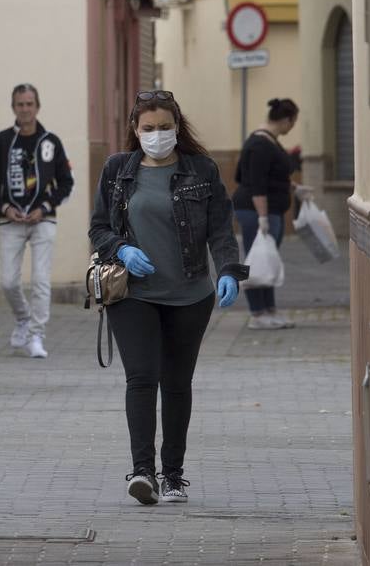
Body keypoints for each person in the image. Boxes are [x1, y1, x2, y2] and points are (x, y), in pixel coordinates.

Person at [89, 90, 247, 506]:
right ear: (135, 131)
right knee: (141, 378)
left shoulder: (202, 170)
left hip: (190, 295)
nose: (157, 135)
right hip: (133, 294)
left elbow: (219, 231)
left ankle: (173, 474)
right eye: (148, 129)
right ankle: (143, 473)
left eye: (164, 128)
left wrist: (229, 271)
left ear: (177, 128)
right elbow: (99, 228)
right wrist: (121, 249)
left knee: (177, 384)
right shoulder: (117, 171)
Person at [0, 83, 74, 359]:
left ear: (37, 106)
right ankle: (23, 318)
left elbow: (66, 183)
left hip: (43, 220)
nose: (25, 109)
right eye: (20, 104)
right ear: (13, 108)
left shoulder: (50, 142)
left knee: (42, 280)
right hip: (12, 220)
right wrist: (4, 206)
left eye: (29, 104)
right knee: (8, 281)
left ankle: (36, 335)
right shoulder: (2, 141)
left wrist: (45, 207)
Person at [232, 97, 303, 330]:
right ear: (285, 120)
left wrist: (293, 187)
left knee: (268, 259)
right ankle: (257, 313)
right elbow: (256, 183)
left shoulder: (270, 141)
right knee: (256, 261)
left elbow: (273, 176)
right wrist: (262, 217)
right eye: (293, 122)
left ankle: (270, 309)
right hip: (256, 211)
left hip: (269, 209)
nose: (292, 127)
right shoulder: (260, 145)